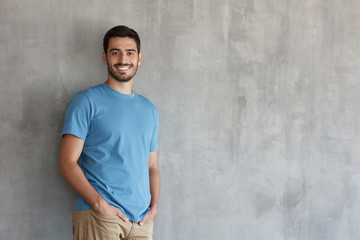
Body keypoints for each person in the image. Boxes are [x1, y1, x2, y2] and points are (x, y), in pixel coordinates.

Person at [59, 25, 160, 240]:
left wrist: (154, 209)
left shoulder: (149, 110)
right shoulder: (86, 102)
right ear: (105, 57)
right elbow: (67, 163)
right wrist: (99, 205)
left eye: (130, 52)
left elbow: (152, 166)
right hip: (100, 217)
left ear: (139, 58)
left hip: (141, 221)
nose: (123, 59)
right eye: (115, 52)